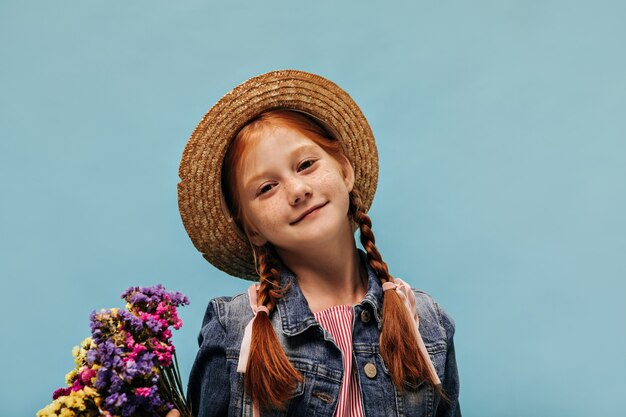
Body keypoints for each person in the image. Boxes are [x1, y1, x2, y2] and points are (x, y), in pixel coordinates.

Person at [173, 70, 461, 417]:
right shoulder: (234, 329)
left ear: (344, 170)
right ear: (251, 229)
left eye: (306, 165)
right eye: (266, 188)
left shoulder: (425, 321)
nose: (297, 191)